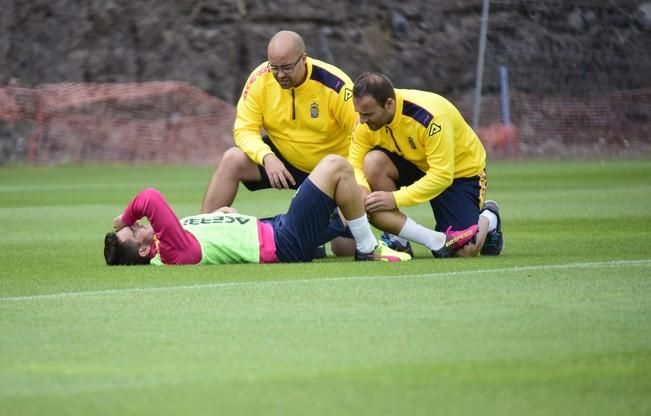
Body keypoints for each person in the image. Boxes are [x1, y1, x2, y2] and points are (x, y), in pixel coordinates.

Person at [201, 30, 359, 256]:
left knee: (345, 249)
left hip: (330, 170)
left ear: (303, 59)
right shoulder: (260, 78)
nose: (280, 74)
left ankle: (321, 237)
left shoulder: (335, 85)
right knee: (232, 159)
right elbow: (244, 129)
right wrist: (267, 157)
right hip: (284, 161)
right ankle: (200, 236)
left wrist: (354, 186)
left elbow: (362, 138)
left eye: (286, 68)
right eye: (274, 67)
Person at [104, 155, 420, 266]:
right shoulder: (170, 252)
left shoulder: (167, 247)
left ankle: (391, 240)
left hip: (273, 229)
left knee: (349, 202)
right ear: (145, 250)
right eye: (134, 230)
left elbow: (206, 235)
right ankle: (369, 250)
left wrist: (222, 217)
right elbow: (149, 198)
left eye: (130, 225)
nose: (136, 223)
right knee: (336, 167)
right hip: (283, 242)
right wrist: (124, 217)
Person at [348, 72, 503, 258]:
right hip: (417, 163)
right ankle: (398, 239)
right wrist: (362, 189)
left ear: (389, 104)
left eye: (368, 114)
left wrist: (396, 198)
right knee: (372, 162)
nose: (362, 120)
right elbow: (355, 163)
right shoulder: (365, 121)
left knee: (463, 250)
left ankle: (489, 216)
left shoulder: (430, 117)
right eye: (359, 113)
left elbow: (441, 176)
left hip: (459, 174)